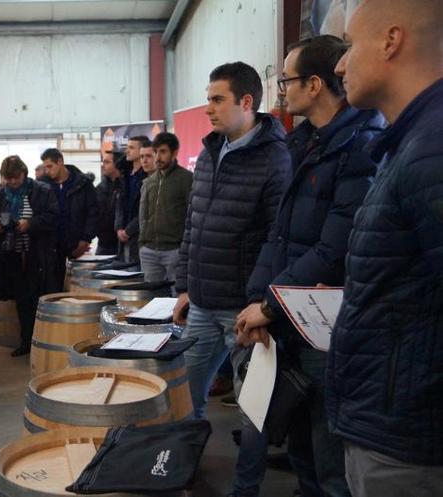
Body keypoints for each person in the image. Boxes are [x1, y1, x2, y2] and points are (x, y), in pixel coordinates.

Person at [234, 35, 384, 497]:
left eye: (287, 80)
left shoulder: (361, 147)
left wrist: (271, 305)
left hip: (326, 328)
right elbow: (279, 236)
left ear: (315, 84)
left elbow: (334, 247)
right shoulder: (305, 143)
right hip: (290, 318)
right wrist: (260, 300)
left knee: (329, 459)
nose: (281, 89)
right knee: (299, 447)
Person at [326, 2, 443, 495]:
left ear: (392, 41)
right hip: (385, 420)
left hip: (408, 439)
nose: (339, 64)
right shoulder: (410, 145)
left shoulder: (432, 148)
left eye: (349, 45)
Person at [171, 63, 292, 497]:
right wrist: (184, 285)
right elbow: (193, 225)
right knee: (188, 396)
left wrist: (262, 305)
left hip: (243, 311)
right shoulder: (208, 152)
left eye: (217, 99)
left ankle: (245, 489)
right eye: (207, 98)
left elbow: (280, 238)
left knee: (251, 412)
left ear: (246, 102)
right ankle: (187, 468)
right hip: (202, 303)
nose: (208, 109)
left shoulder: (276, 159)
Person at [0, 155, 58, 356]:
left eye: (15, 178)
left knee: (39, 299)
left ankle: (45, 342)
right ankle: (26, 342)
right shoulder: (2, 193)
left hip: (38, 254)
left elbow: (54, 217)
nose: (12, 182)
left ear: (24, 174)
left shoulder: (42, 190)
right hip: (12, 255)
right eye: (8, 178)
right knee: (21, 301)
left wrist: (31, 223)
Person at [138, 132, 193, 283]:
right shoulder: (149, 182)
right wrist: (142, 244)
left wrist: (185, 247)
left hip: (175, 251)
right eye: (155, 152)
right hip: (149, 251)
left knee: (178, 299)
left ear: (174, 153)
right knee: (152, 300)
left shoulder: (186, 179)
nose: (157, 157)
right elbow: (143, 216)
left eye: (163, 152)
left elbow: (192, 215)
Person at [40, 148, 98, 289]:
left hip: (76, 243)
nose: (47, 171)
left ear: (60, 162)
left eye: (50, 166)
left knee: (76, 288)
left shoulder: (83, 183)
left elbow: (93, 212)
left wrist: (86, 238)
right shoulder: (42, 185)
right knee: (52, 288)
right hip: (51, 246)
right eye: (45, 167)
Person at [115, 136, 150, 262]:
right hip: (122, 234)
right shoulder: (125, 174)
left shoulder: (147, 175)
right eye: (127, 148)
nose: (127, 151)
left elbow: (145, 209)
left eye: (131, 148)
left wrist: (129, 230)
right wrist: (119, 227)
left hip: (138, 233)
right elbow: (119, 204)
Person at [95, 151, 121, 255]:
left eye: (107, 162)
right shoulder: (100, 188)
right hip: (103, 243)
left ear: (117, 164)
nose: (103, 166)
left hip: (121, 241)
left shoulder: (125, 186)